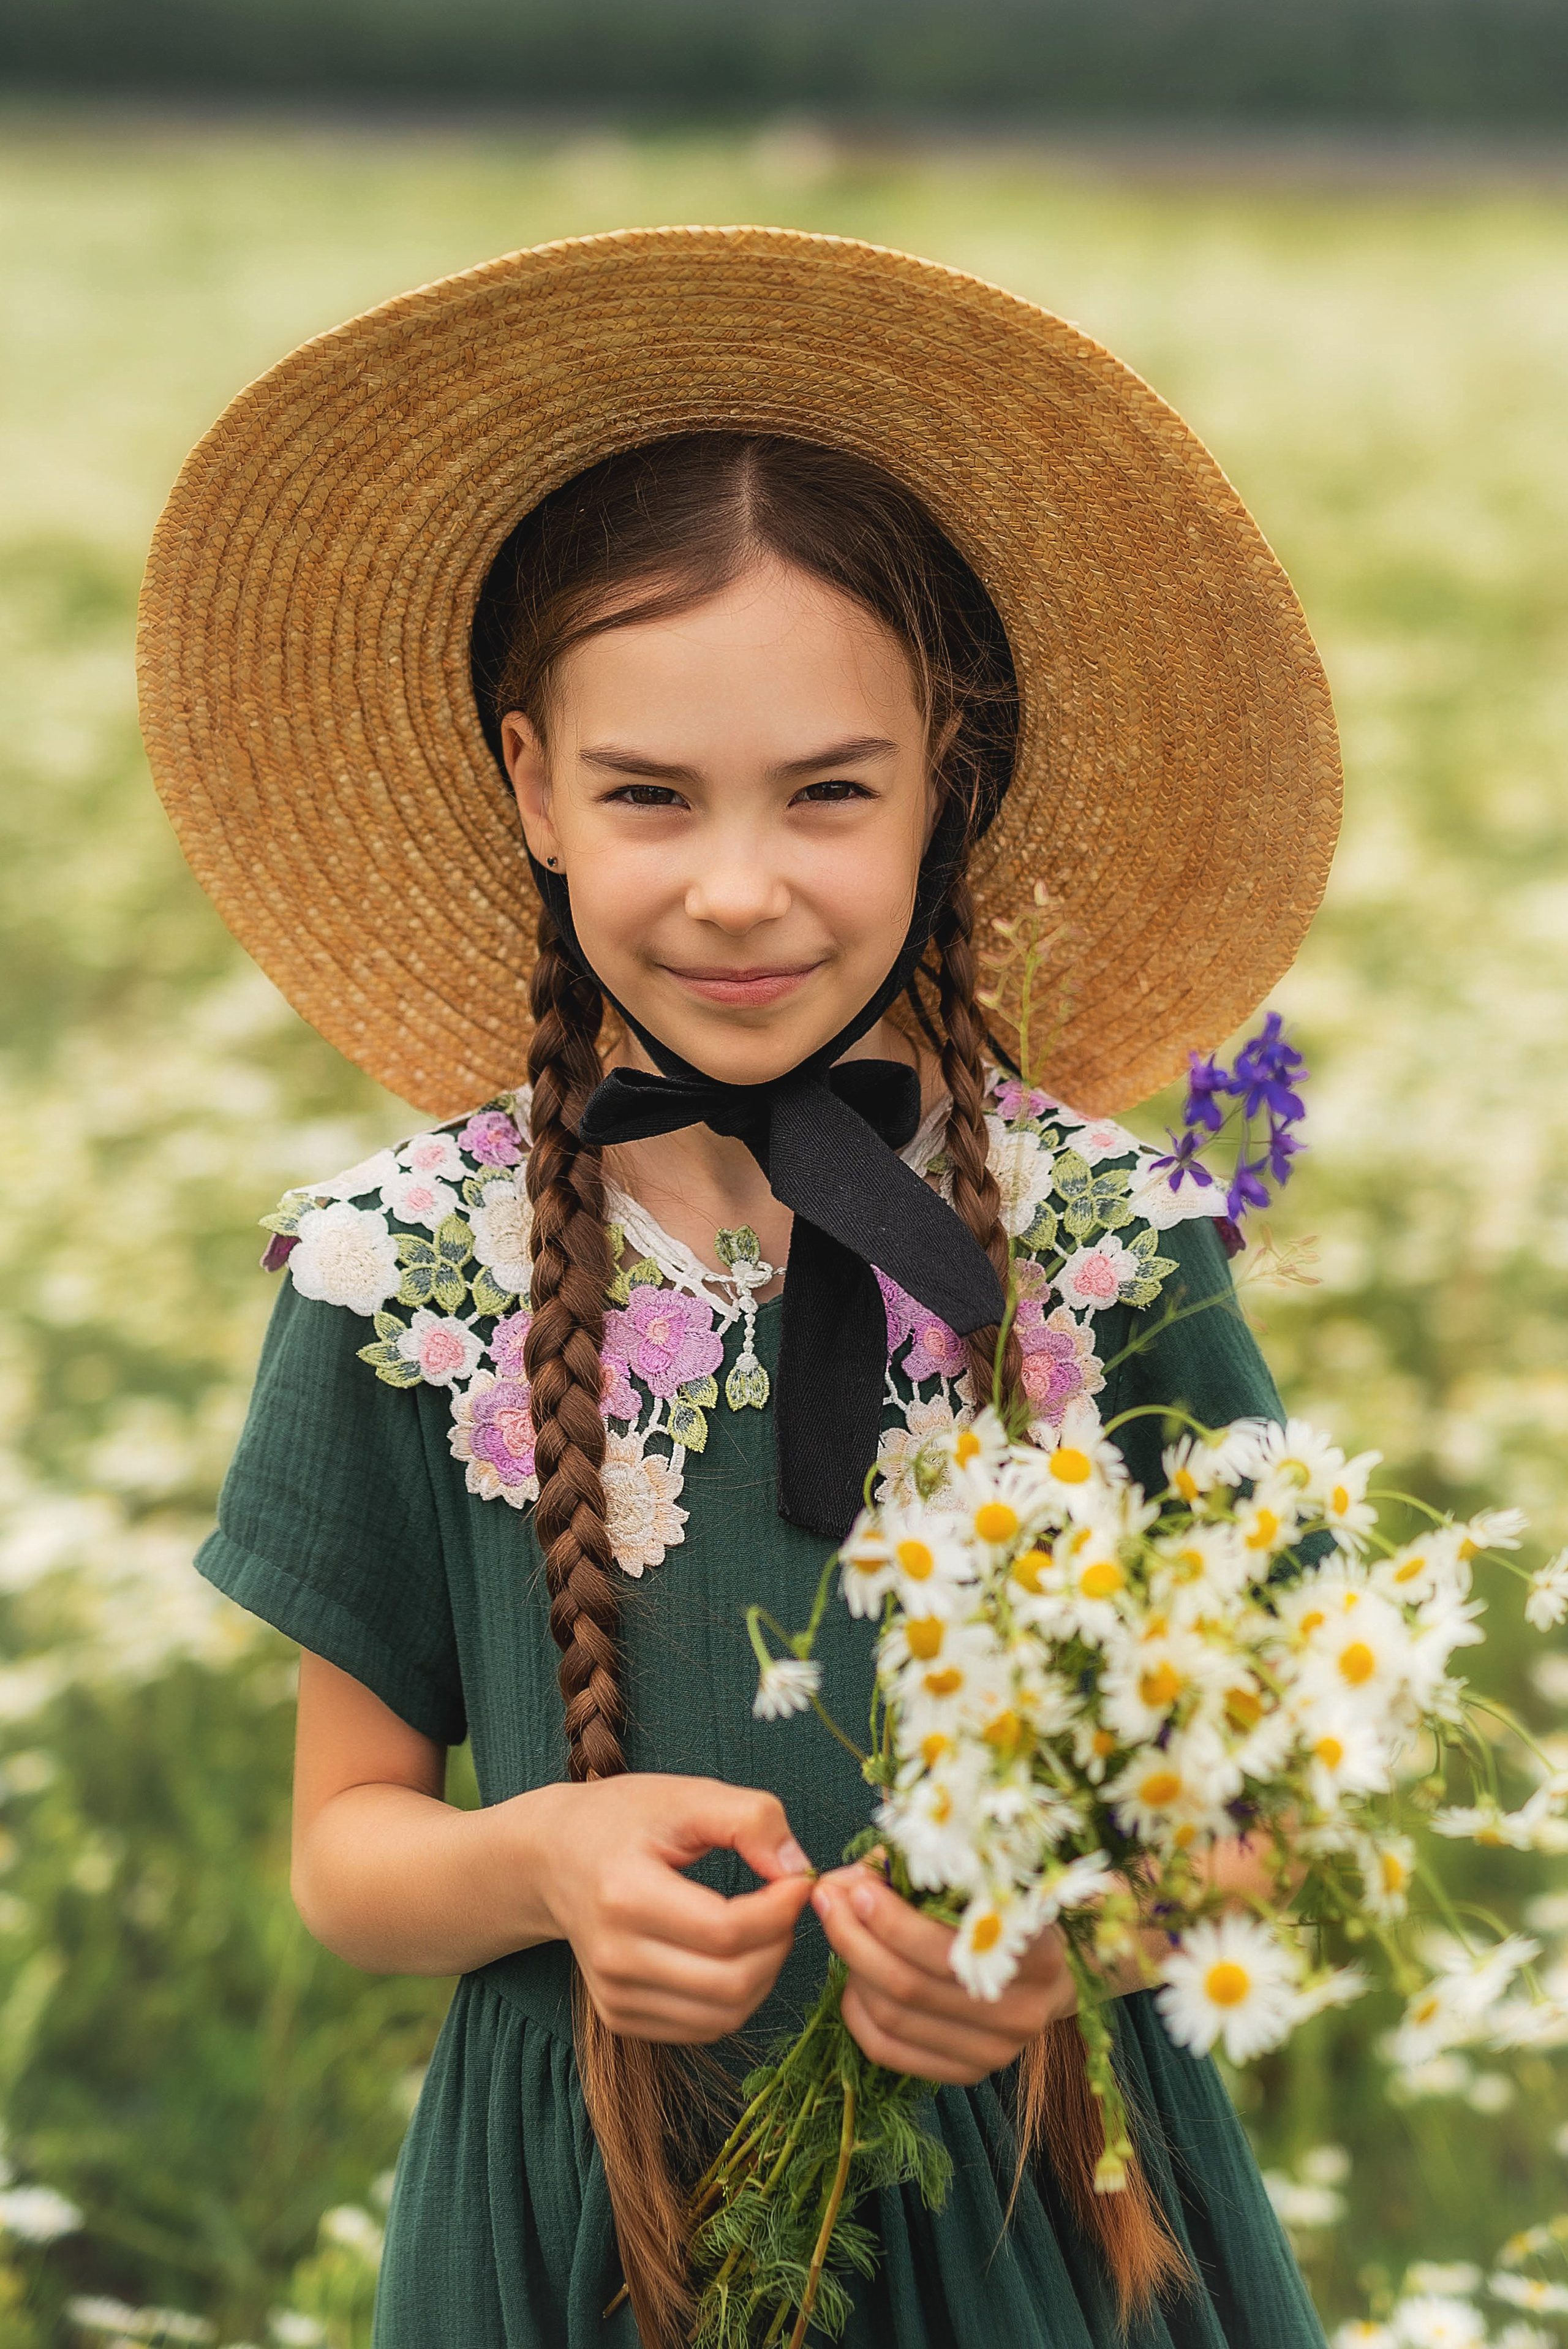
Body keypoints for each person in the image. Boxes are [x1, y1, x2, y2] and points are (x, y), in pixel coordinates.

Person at [137, 230, 1341, 2348]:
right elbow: (346, 1851)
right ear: (529, 783)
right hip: (586, 2223)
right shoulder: (405, 1274)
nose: (737, 885)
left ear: (942, 784)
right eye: (646, 794)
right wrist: (544, 1866)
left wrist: (1079, 1927)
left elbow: (1272, 1827)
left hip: (1049, 2214)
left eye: (829, 791)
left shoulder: (1103, 1255)